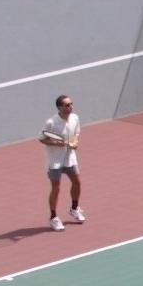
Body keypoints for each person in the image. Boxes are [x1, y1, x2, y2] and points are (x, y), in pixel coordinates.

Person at [39, 94, 83, 232]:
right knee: (56, 188)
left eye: (71, 104)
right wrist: (55, 143)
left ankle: (75, 208)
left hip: (70, 158)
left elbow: (76, 134)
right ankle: (53, 217)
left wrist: (75, 142)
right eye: (67, 105)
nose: (70, 107)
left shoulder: (75, 118)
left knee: (77, 182)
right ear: (59, 107)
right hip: (55, 161)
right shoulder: (51, 122)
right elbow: (41, 138)